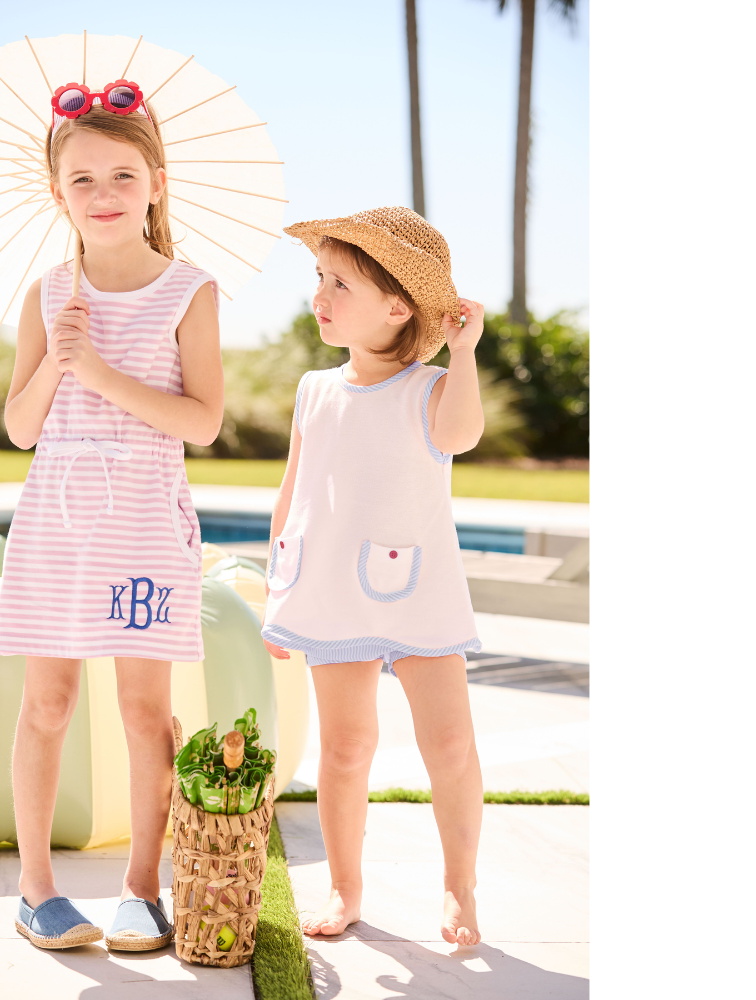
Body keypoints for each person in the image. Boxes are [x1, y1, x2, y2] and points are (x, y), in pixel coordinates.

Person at [0, 83, 223, 951]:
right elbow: (20, 428)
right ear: (59, 193)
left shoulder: (190, 291)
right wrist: (59, 362)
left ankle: (140, 888)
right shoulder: (47, 294)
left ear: (157, 183)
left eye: (123, 174)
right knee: (47, 704)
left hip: (143, 525)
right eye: (82, 179)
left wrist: (99, 372)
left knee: (141, 710)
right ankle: (36, 890)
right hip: (56, 525)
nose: (104, 194)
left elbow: (203, 421)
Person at [261, 207, 485, 946]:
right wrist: (278, 590)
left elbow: (461, 435)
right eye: (319, 278)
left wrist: (465, 354)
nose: (320, 296)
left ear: (397, 307)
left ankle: (459, 886)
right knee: (345, 747)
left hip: (418, 590)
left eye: (340, 284)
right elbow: (292, 496)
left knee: (448, 746)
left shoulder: (431, 389)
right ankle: (344, 886)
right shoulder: (314, 390)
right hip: (331, 592)